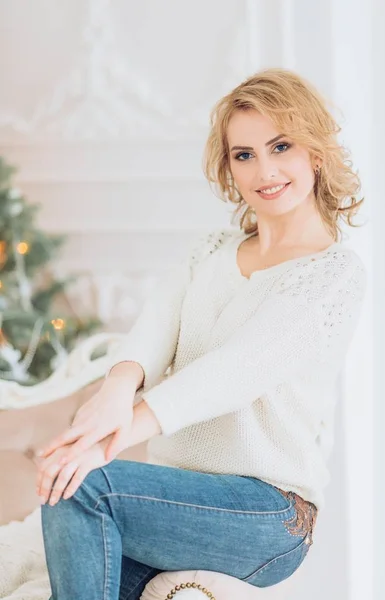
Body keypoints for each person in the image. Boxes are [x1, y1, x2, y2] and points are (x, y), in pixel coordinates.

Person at [36, 67, 367, 599]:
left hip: (267, 514)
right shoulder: (209, 252)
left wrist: (105, 444)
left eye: (281, 146)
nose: (265, 170)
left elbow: (233, 372)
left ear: (316, 153)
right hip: (180, 501)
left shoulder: (332, 274)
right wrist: (116, 391)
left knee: (82, 487)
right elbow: (151, 334)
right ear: (229, 167)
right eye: (244, 154)